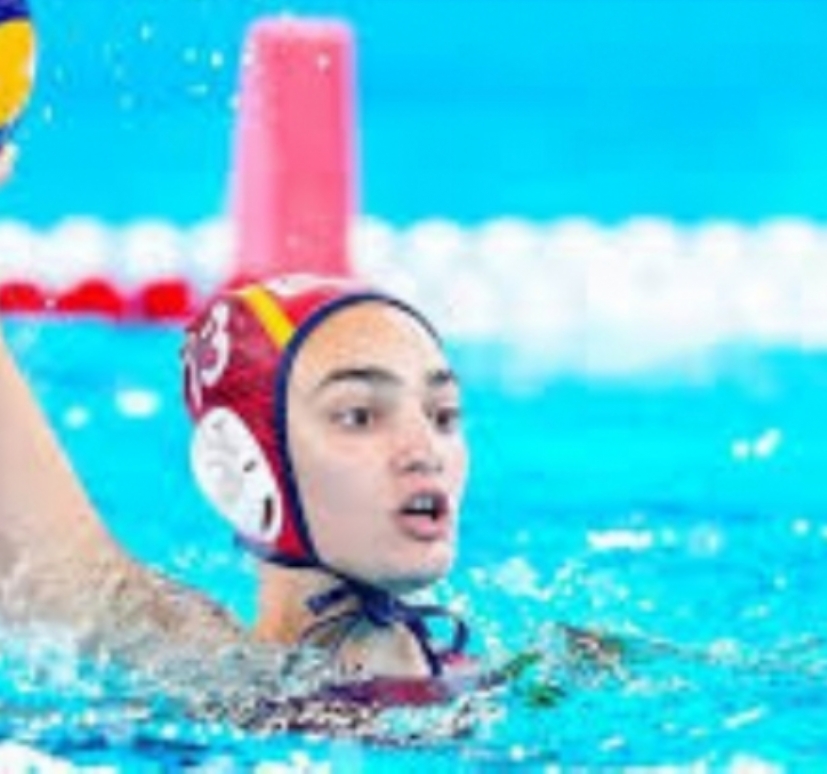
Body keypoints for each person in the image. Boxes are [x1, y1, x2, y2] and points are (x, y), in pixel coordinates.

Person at [0, 140, 484, 734]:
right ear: (245, 467)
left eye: (442, 414)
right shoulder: (223, 678)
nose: (424, 451)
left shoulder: (533, 670)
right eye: (359, 415)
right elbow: (48, 568)